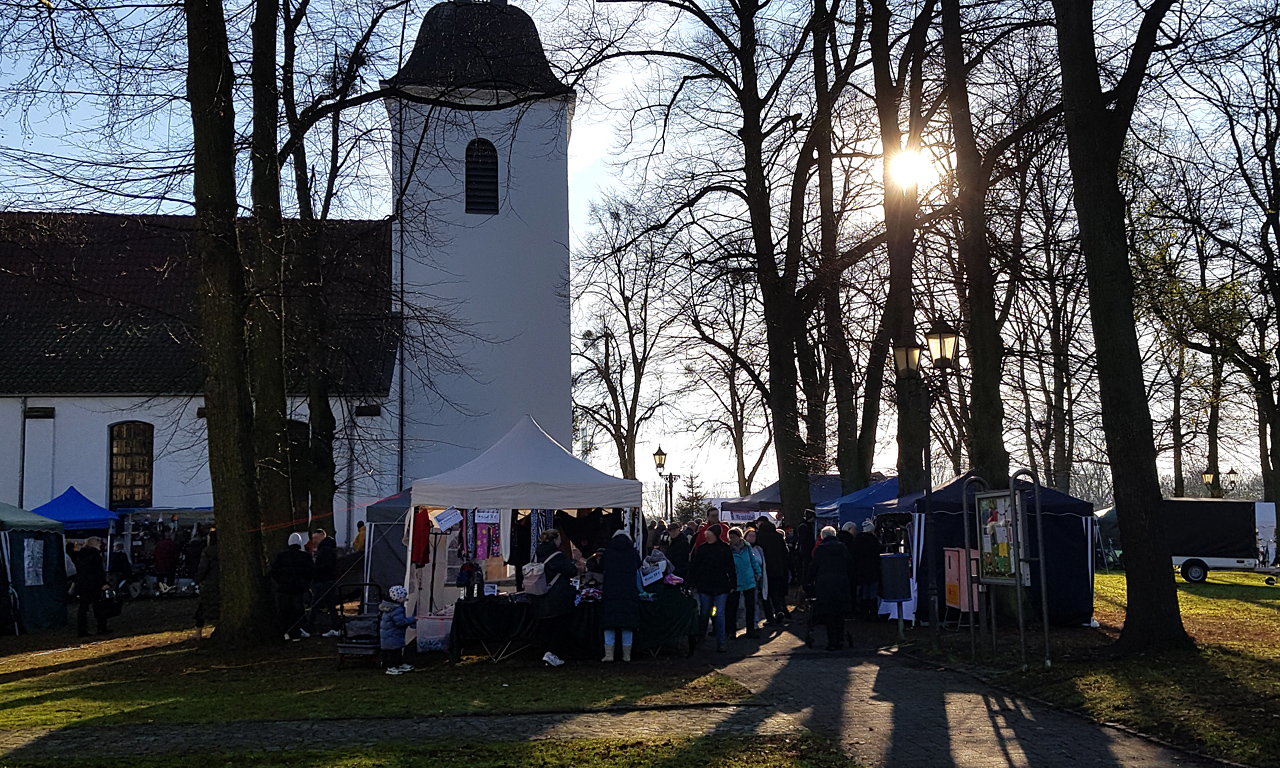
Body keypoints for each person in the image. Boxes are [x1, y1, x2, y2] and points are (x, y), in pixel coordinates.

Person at [534, 530, 578, 667]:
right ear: (555, 539)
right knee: (560, 626)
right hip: (557, 596)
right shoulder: (557, 556)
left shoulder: (537, 554)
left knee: (547, 627)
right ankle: (552, 654)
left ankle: (545, 652)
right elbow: (571, 571)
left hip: (541, 595)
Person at [688, 523, 735, 652]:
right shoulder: (703, 549)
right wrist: (694, 583)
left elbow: (730, 567)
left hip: (719, 586)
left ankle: (720, 641)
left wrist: (733, 583)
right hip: (707, 585)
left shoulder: (724, 549)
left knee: (718, 613)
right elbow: (695, 567)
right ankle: (702, 637)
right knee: (705, 613)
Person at [807, 526, 855, 650]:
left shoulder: (820, 549)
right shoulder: (843, 548)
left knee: (829, 615)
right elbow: (850, 566)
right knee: (840, 614)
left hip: (825, 586)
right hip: (841, 584)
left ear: (822, 536)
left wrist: (808, 581)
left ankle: (832, 642)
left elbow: (813, 567)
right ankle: (840, 639)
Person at [600, 529, 641, 662]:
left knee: (609, 623)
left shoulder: (608, 552)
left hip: (610, 589)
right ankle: (627, 655)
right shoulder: (632, 552)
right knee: (627, 623)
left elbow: (601, 566)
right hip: (628, 590)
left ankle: (609, 654)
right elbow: (638, 565)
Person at [271, 532, 314, 641]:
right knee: (297, 611)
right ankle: (295, 633)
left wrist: (281, 581)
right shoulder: (305, 556)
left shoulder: (281, 556)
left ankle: (283, 632)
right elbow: (311, 572)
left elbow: (273, 571)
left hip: (284, 588)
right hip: (297, 588)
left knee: (284, 611)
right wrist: (304, 582)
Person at [725, 527, 763, 639]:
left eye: (734, 537)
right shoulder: (728, 550)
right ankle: (731, 630)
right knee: (733, 607)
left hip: (749, 580)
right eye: (730, 537)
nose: (732, 539)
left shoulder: (747, 547)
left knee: (750, 606)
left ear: (739, 537)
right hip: (735, 582)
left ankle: (750, 629)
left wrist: (758, 573)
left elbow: (752, 561)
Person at [755, 519, 790, 624]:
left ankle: (769, 617)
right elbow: (785, 553)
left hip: (765, 569)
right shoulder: (778, 537)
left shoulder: (760, 537)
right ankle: (778, 610)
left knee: (765, 594)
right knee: (775, 592)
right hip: (778, 569)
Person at [74, 537, 110, 637]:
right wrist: (103, 583)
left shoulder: (80, 555)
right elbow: (98, 571)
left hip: (82, 584)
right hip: (94, 585)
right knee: (100, 606)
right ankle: (101, 628)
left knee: (83, 607)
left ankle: (82, 630)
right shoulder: (96, 556)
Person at [379, 585, 416, 675]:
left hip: (391, 635)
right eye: (403, 597)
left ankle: (400, 664)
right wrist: (413, 619)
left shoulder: (389, 608)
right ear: (397, 598)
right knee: (394, 653)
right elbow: (400, 622)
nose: (405, 598)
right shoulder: (396, 609)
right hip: (393, 635)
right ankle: (391, 667)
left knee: (397, 650)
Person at [310, 530, 340, 637]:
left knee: (315, 605)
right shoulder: (328, 549)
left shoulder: (325, 550)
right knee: (330, 605)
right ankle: (336, 627)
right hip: (329, 580)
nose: (314, 541)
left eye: (316, 538)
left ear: (322, 536)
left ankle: (308, 628)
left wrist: (315, 570)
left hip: (323, 580)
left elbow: (325, 566)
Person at [853, 520, 883, 619]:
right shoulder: (874, 540)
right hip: (873, 569)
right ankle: (873, 613)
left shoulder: (857, 540)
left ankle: (864, 612)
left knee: (865, 590)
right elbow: (878, 553)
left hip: (861, 569)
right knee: (873, 591)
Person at [194, 530, 219, 637]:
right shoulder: (227, 550)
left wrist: (198, 579)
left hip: (210, 582)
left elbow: (203, 568)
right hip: (221, 581)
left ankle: (198, 632)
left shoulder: (207, 551)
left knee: (203, 607)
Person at [744, 528, 769, 631]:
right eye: (749, 535)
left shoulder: (759, 549)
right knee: (741, 603)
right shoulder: (742, 548)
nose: (751, 538)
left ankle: (754, 622)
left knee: (754, 601)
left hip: (755, 580)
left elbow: (762, 563)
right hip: (743, 579)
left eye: (753, 536)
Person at [796, 510, 816, 583]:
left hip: (805, 549)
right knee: (805, 566)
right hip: (806, 550)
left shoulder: (803, 525)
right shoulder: (805, 526)